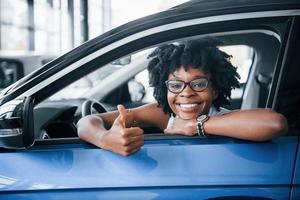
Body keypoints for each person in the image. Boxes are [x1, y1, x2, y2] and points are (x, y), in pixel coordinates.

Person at [77, 38, 288, 156]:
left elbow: (275, 123)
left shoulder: (224, 119)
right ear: (165, 88)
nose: (186, 92)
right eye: (176, 85)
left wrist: (195, 125)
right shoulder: (162, 114)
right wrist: (105, 139)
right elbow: (87, 122)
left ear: (214, 90)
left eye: (199, 84)